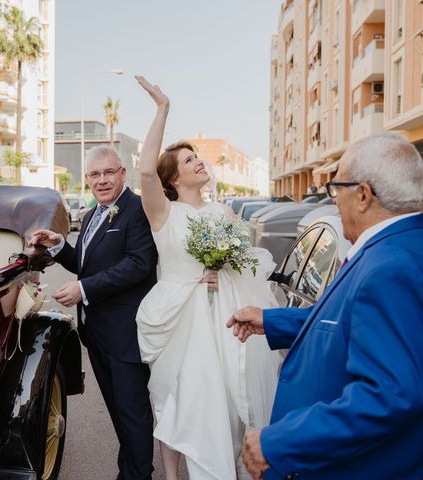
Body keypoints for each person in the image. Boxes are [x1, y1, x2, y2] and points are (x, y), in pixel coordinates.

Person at [228, 132, 423, 479]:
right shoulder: (400, 247)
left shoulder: (390, 266)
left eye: (337, 189)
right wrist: (273, 321)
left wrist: (279, 443)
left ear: (363, 195)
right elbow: (348, 324)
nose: (333, 201)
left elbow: (388, 397)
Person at [134, 76, 281, 479]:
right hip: (179, 321)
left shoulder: (224, 214)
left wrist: (223, 270)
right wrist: (163, 108)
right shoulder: (164, 213)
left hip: (222, 322)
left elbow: (247, 261)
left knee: (221, 405)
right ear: (174, 180)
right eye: (187, 160)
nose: (199, 160)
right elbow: (146, 171)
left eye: (197, 155)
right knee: (174, 402)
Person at [29, 146, 158, 480]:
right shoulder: (91, 215)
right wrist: (58, 246)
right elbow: (85, 265)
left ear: (123, 173)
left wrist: (83, 289)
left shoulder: (137, 209)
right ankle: (128, 471)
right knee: (118, 412)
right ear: (87, 178)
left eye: (108, 173)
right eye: (94, 175)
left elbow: (138, 265)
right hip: (97, 333)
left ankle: (138, 474)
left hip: (126, 332)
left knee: (132, 413)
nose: (101, 181)